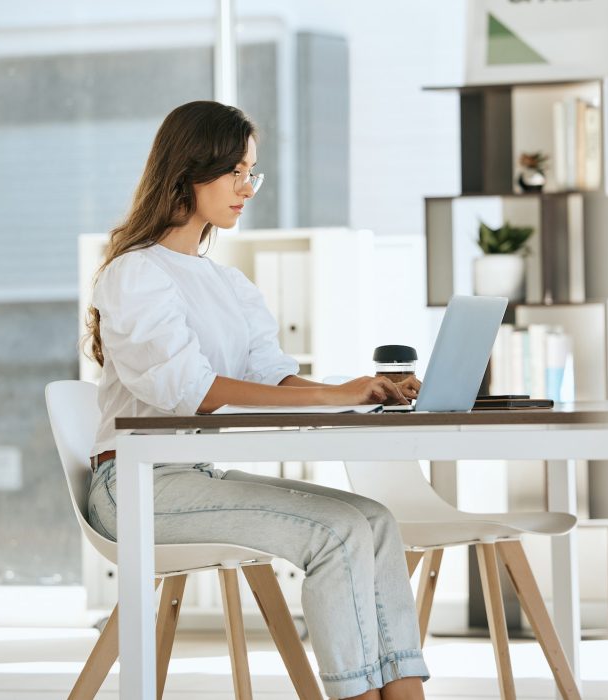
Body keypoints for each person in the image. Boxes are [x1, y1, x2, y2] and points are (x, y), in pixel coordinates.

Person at [84, 100, 429, 700]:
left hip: (194, 479)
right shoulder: (134, 274)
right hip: (135, 488)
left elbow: (270, 374)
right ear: (189, 171)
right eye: (236, 173)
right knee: (337, 532)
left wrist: (359, 390)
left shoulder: (227, 281)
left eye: (252, 173)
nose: (247, 187)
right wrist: (330, 395)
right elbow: (189, 390)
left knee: (374, 521)